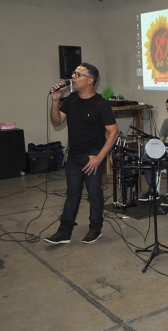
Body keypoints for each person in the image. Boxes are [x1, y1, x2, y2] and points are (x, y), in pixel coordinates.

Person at [45, 63, 119, 244]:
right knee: (72, 193)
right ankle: (64, 232)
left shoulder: (101, 104)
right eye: (73, 74)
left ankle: (95, 229)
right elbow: (56, 122)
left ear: (90, 80)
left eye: (77, 74)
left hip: (93, 155)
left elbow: (114, 132)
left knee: (94, 194)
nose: (73, 77)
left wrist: (99, 158)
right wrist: (55, 101)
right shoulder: (70, 100)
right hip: (74, 156)